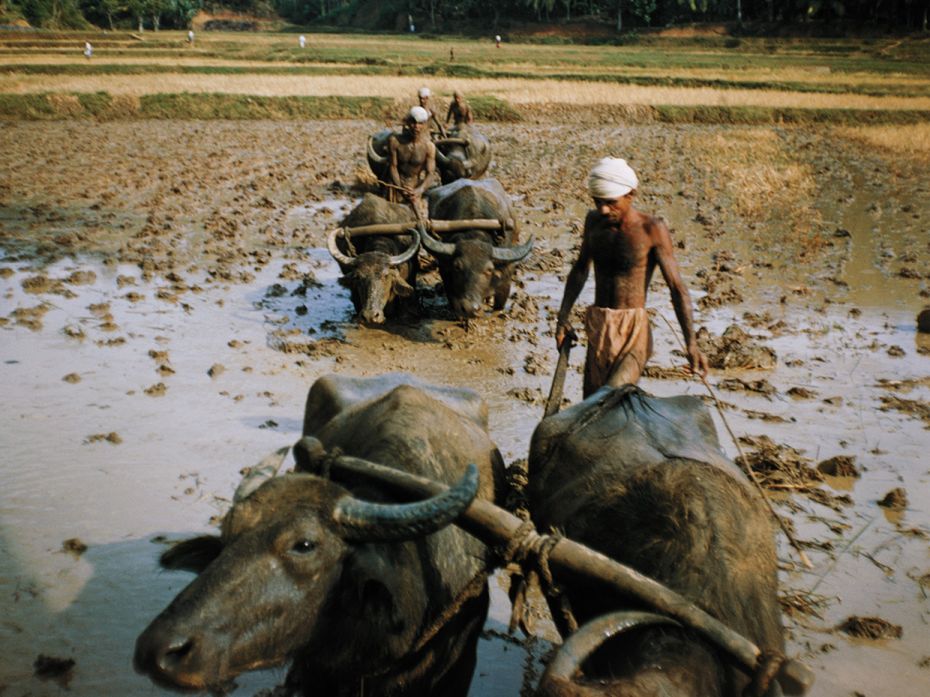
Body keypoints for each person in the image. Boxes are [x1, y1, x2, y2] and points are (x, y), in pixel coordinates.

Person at [555, 157, 708, 397]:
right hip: (599, 325)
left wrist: (691, 344)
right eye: (598, 202)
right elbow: (581, 269)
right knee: (589, 404)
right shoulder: (593, 222)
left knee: (609, 399)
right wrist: (562, 317)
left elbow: (677, 288)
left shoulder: (651, 229)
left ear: (631, 194)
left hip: (633, 331)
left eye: (611, 202)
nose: (604, 209)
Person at [387, 106, 438, 206]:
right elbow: (393, 167)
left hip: (415, 188)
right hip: (396, 186)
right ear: (407, 123)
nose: (416, 126)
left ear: (425, 125)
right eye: (413, 122)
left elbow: (430, 173)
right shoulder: (395, 142)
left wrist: (419, 190)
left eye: (420, 123)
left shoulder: (429, 147)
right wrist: (400, 188)